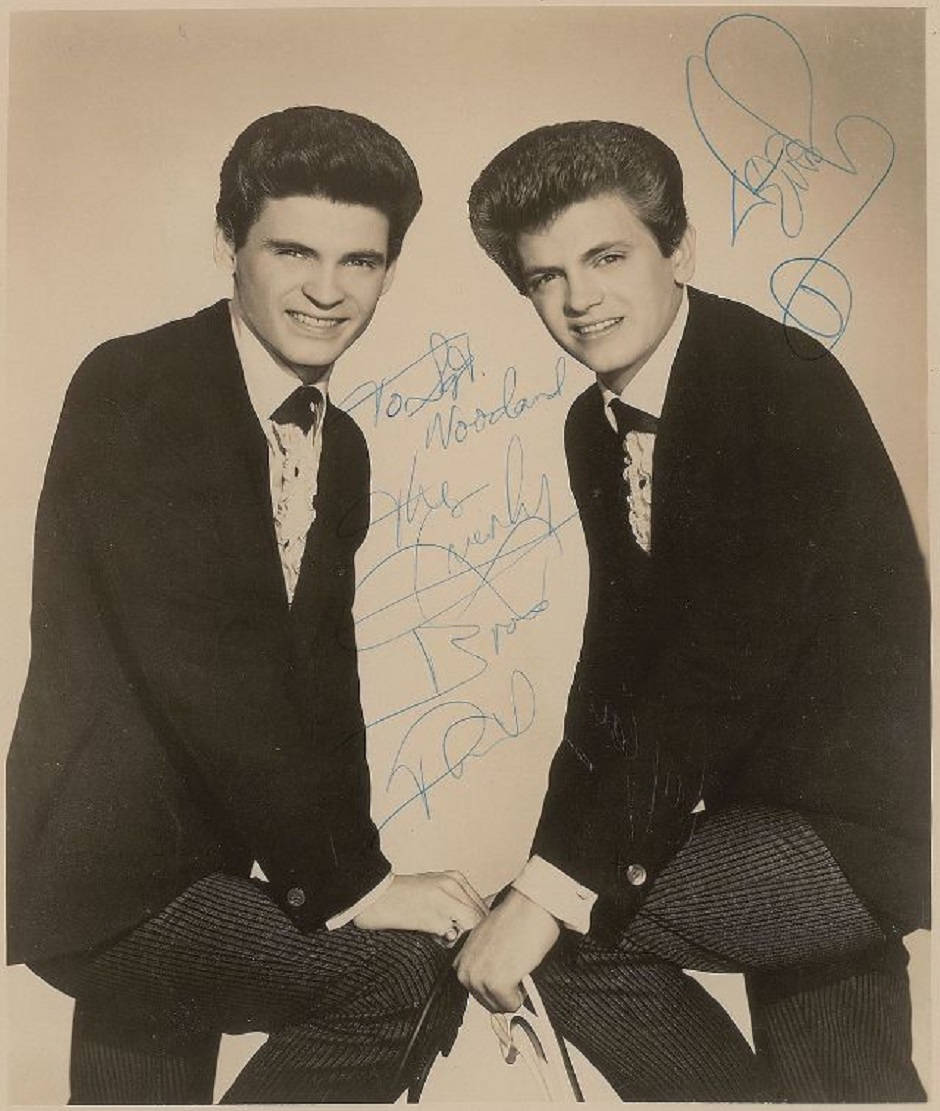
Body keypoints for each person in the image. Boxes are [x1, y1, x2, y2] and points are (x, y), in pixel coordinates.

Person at [6, 105, 486, 1104]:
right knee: (401, 976)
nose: (326, 289)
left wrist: (363, 870)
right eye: (294, 250)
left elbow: (324, 683)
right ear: (229, 242)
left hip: (205, 866)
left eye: (361, 261)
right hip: (111, 877)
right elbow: (202, 658)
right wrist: (351, 887)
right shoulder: (140, 385)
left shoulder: (337, 443)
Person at [455, 120, 930, 1101]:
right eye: (545, 277)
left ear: (678, 247)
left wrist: (547, 888)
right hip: (763, 816)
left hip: (851, 830)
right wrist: (554, 854)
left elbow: (718, 669)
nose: (580, 300)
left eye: (607, 256)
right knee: (850, 1089)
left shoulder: (773, 386)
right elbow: (613, 676)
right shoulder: (599, 425)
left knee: (557, 940)